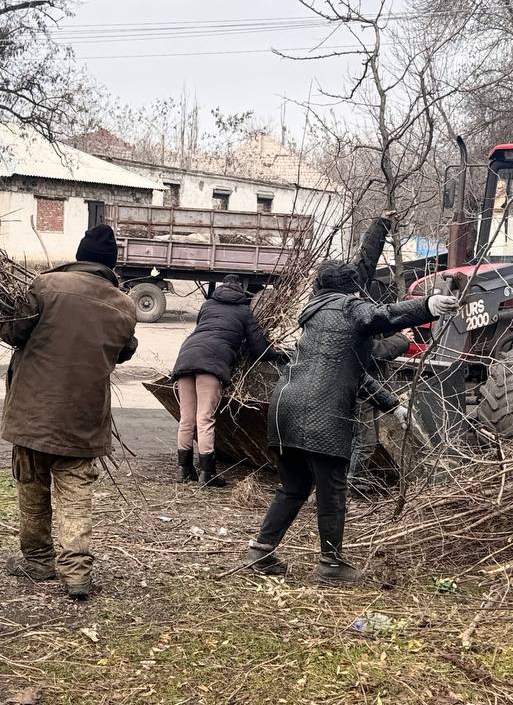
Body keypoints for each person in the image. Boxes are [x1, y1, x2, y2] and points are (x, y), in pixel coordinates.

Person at [241, 214, 460, 587]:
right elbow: (381, 314)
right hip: (321, 413)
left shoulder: (316, 312)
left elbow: (355, 372)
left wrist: (393, 405)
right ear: (352, 290)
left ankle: (261, 550)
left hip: (284, 409)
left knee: (293, 486)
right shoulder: (350, 309)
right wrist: (427, 306)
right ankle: (331, 563)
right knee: (333, 488)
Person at [0, 225, 138, 601]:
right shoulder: (124, 305)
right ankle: (76, 574)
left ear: (78, 255)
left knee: (32, 487)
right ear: (111, 265)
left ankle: (39, 561)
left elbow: (11, 332)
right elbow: (124, 351)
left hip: (33, 413)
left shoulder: (43, 286)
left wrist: (2, 304)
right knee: (76, 496)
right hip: (84, 419)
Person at [169, 275, 285, 486]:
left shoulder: (207, 305)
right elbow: (258, 348)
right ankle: (207, 474)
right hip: (211, 364)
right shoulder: (244, 311)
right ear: (242, 289)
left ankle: (183, 470)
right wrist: (277, 355)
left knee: (187, 418)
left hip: (186, 357)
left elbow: (203, 330)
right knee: (204, 418)